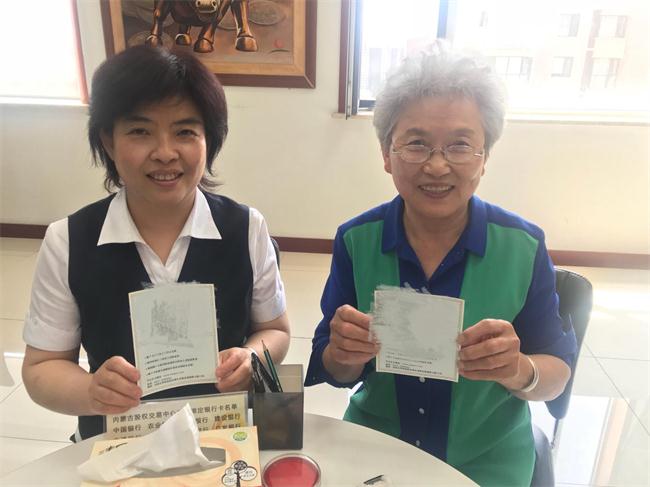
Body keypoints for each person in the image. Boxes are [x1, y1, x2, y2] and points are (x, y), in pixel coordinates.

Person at [305, 43, 577, 487]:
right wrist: (343, 354)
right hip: (374, 450)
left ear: (484, 158)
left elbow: (556, 377)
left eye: (460, 146)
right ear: (386, 153)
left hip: (485, 461)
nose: (436, 166)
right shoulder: (357, 240)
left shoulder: (524, 247)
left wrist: (517, 369)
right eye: (416, 144)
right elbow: (332, 368)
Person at [21, 45, 290, 440]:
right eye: (140, 131)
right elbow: (41, 367)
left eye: (185, 132)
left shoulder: (246, 227)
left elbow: (276, 331)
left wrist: (252, 358)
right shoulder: (69, 241)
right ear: (108, 142)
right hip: (119, 440)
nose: (165, 153)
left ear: (209, 140)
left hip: (223, 438)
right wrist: (92, 391)